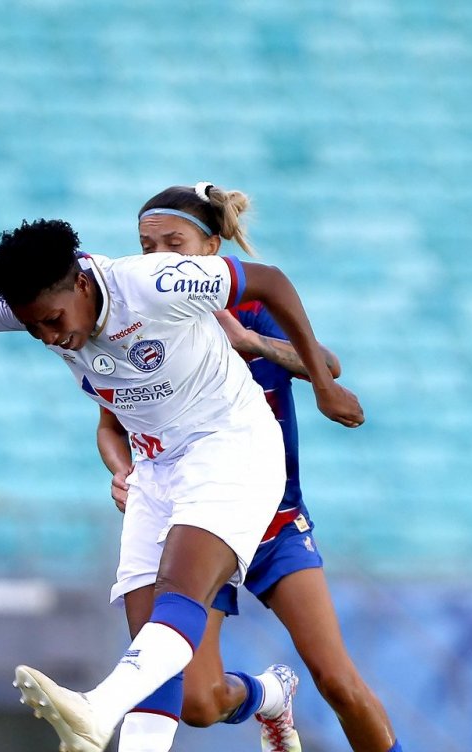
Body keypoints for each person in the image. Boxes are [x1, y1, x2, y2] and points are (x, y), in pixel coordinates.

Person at [0, 217, 363, 752]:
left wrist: (320, 381)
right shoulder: (32, 302)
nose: (49, 336)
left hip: (232, 445)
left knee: (180, 592)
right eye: (33, 327)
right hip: (157, 468)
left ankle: (96, 709)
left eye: (52, 319)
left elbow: (269, 281)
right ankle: (262, 695)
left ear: (80, 280)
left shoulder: (151, 283)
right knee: (160, 660)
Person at [96, 183, 401, 752]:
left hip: (273, 521)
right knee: (197, 703)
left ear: (212, 248)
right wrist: (121, 469)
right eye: (146, 245)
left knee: (337, 680)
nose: (158, 257)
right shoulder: (138, 321)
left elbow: (325, 364)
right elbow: (111, 424)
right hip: (195, 522)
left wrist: (253, 342)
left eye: (174, 243)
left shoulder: (252, 306)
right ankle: (267, 696)